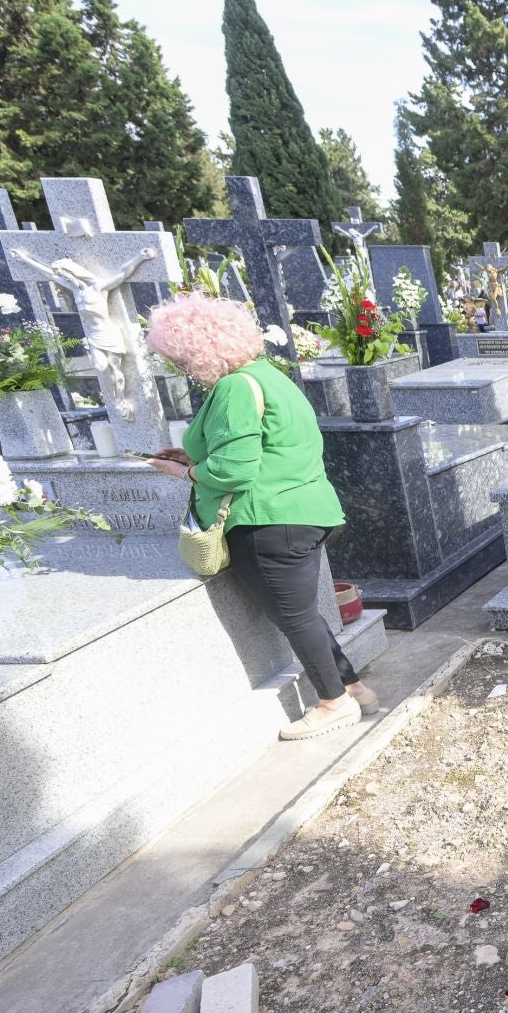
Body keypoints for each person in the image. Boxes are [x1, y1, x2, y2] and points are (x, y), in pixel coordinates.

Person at [142, 293, 376, 740]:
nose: (182, 369)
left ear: (198, 350)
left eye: (180, 359)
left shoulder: (232, 387)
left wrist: (186, 470)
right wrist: (197, 453)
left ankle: (333, 704)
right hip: (307, 510)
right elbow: (264, 446)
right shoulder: (269, 377)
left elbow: (235, 468)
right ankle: (354, 688)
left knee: (295, 617)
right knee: (304, 613)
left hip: (267, 518)